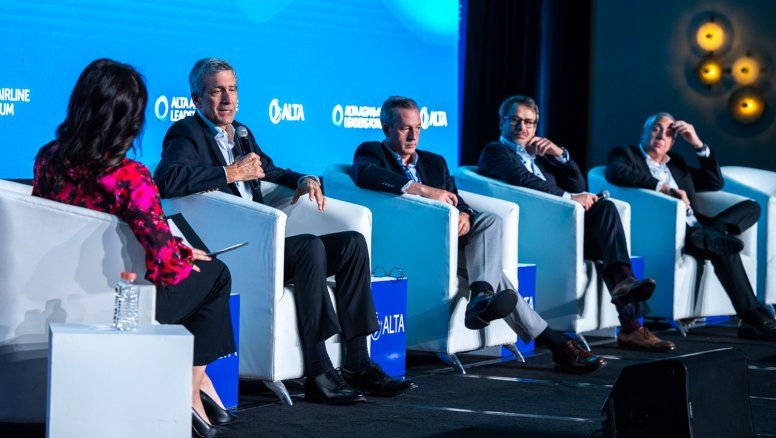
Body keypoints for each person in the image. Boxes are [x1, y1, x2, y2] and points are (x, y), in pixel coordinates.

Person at [153, 58, 415, 404]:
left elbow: (269, 170)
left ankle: (358, 362)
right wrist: (229, 173)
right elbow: (168, 180)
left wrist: (302, 179)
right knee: (308, 247)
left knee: (351, 243)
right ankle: (318, 372)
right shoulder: (185, 133)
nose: (227, 99)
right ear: (196, 100)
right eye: (217, 91)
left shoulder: (242, 133)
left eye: (232, 89)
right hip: (232, 247)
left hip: (264, 239)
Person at [32, 59, 235, 438]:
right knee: (216, 276)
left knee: (201, 268)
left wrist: (171, 246)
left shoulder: (47, 159)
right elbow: (166, 270)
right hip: (119, 302)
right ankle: (192, 390)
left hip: (58, 291)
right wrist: (181, 253)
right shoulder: (130, 178)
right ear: (130, 118)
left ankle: (200, 389)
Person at [351, 95, 606, 374]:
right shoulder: (372, 151)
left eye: (418, 128)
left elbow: (457, 199)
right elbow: (366, 175)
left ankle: (483, 297)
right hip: (415, 244)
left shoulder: (434, 162)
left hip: (452, 242)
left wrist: (464, 214)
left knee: (490, 221)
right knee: (496, 274)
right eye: (404, 128)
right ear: (387, 129)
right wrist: (421, 189)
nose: (413, 135)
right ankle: (552, 341)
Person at [478, 95, 675, 352]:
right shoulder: (496, 152)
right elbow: (522, 179)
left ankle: (630, 312)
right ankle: (632, 324)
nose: (522, 127)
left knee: (606, 211)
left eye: (529, 122)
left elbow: (579, 185)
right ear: (502, 122)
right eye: (515, 120)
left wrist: (559, 155)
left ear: (536, 126)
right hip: (538, 231)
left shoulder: (540, 156)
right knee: (607, 225)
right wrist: (569, 198)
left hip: (566, 228)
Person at [605, 112, 776, 340]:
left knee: (752, 207)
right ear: (643, 132)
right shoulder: (627, 154)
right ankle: (751, 315)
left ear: (673, 141)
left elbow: (715, 182)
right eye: (656, 128)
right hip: (676, 233)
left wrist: (697, 144)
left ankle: (712, 233)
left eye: (669, 133)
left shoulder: (676, 164)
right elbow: (617, 172)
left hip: (699, 227)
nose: (661, 135)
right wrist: (663, 187)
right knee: (721, 245)